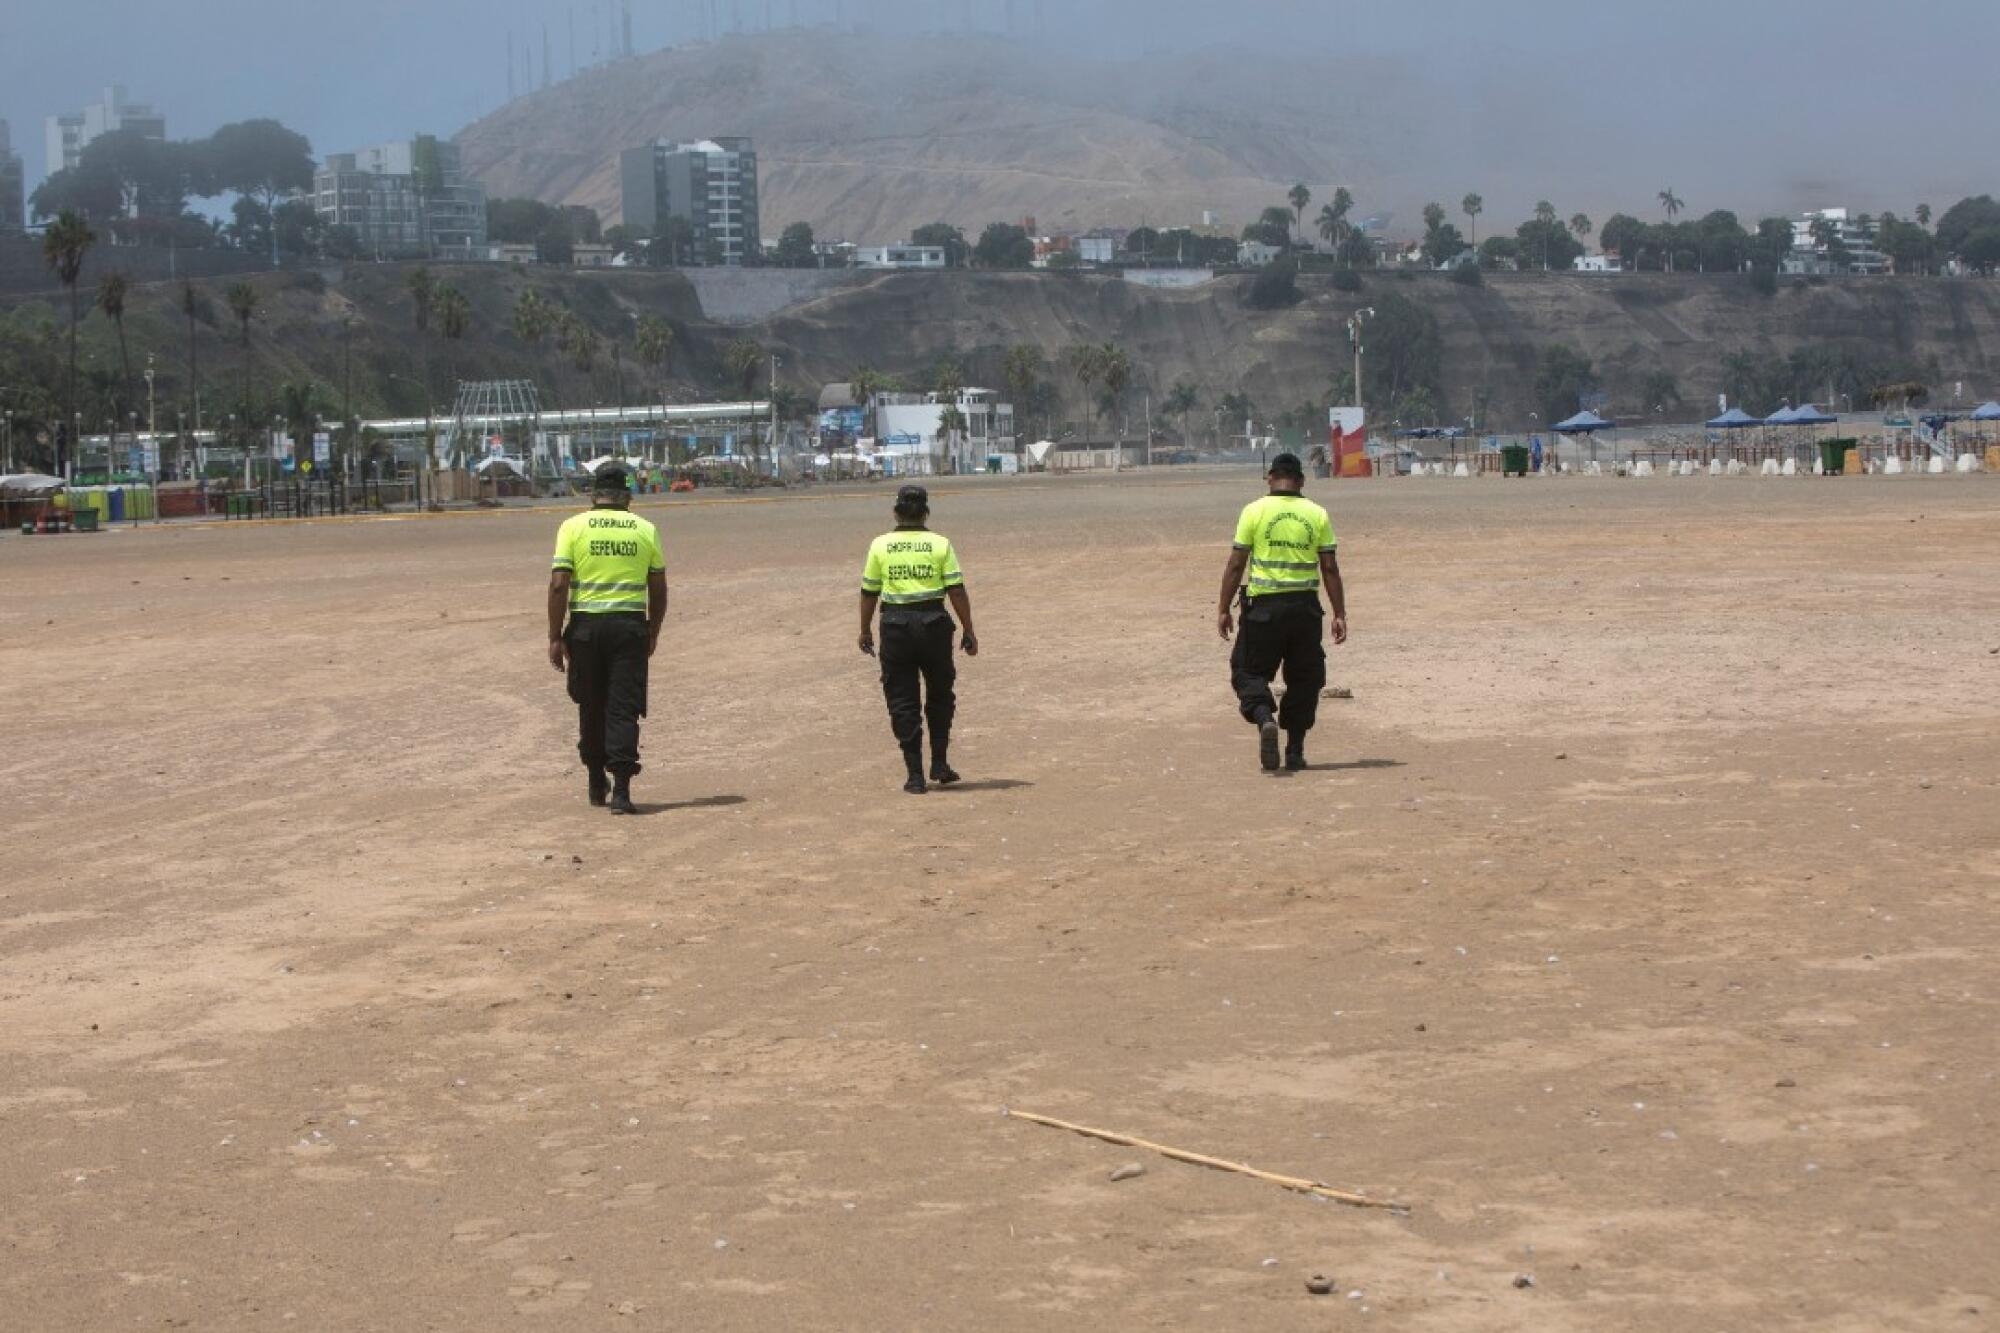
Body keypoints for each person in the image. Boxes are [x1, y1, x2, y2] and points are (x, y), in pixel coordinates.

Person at [547, 464, 668, 814]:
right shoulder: (645, 530)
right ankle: (623, 792)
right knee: (623, 708)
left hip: (585, 629)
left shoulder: (573, 527)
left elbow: (559, 585)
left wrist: (555, 636)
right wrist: (652, 631)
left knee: (591, 703)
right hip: (629, 628)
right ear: (628, 496)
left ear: (593, 494)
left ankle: (596, 779)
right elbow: (658, 589)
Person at [1215, 452, 1347, 771]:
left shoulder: (1254, 511)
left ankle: (1264, 719)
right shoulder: (1316, 514)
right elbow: (1329, 568)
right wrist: (1340, 613)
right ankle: (1295, 751)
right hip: (1305, 611)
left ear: (1270, 479)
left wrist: (1223, 608)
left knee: (1247, 671)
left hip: (1264, 610)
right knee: (1305, 678)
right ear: (1300, 481)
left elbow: (1236, 564)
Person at [858, 485, 978, 794]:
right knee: (940, 695)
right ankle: (939, 763)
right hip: (934, 627)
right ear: (925, 513)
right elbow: (956, 590)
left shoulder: (880, 545)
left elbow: (869, 592)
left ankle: (914, 776)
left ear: (895, 512)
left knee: (902, 700)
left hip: (895, 628)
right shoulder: (939, 544)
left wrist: (864, 630)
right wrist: (968, 629)